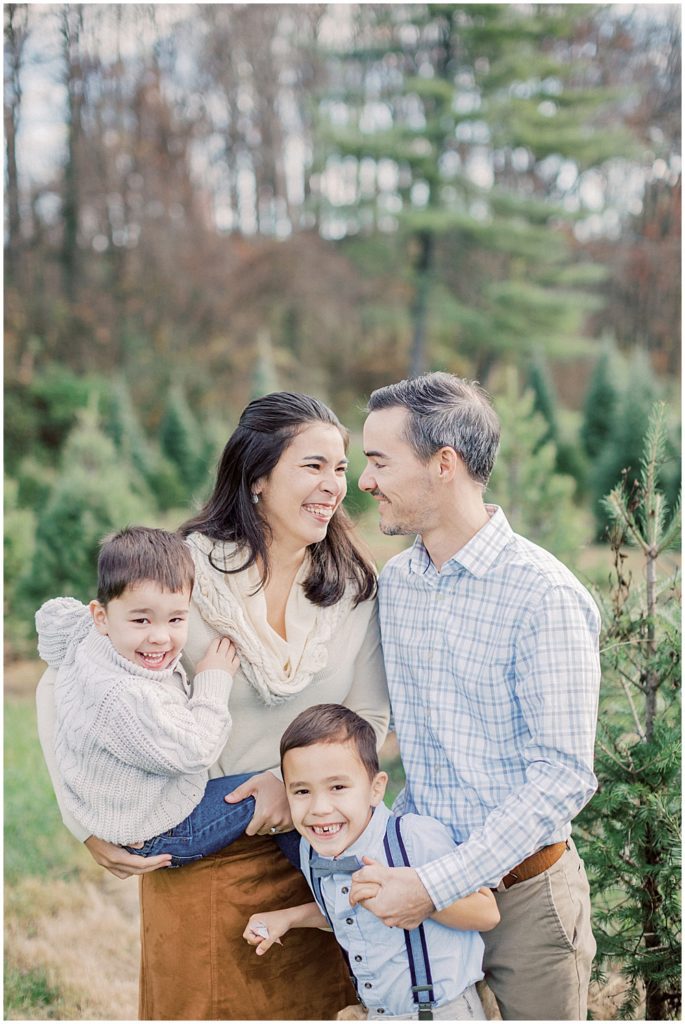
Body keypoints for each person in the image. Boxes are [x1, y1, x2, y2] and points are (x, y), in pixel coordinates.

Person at [36, 391, 389, 1021]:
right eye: (312, 466)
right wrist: (83, 824)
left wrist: (292, 785)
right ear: (257, 477)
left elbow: (368, 718)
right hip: (201, 849)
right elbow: (65, 687)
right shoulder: (181, 571)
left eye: (340, 469)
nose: (334, 486)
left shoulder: (353, 586)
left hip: (316, 852)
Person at [353, 372, 601, 1021]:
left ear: (444, 464)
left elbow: (562, 776)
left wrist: (436, 883)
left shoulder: (541, 596)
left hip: (525, 905)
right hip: (423, 893)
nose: (363, 480)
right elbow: (382, 726)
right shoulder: (398, 585)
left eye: (378, 461)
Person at [34, 526, 299, 868]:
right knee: (276, 792)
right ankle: (333, 894)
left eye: (175, 618)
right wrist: (213, 679)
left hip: (128, 809)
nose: (160, 637)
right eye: (141, 620)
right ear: (101, 616)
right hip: (156, 833)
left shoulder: (92, 637)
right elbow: (197, 750)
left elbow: (61, 627)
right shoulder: (126, 698)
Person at [244, 704, 499, 1021]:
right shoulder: (312, 852)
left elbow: (487, 913)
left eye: (338, 787)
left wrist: (418, 893)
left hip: (442, 1011)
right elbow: (345, 913)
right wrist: (289, 917)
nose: (320, 807)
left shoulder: (412, 837)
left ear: (375, 789)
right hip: (377, 1013)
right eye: (302, 791)